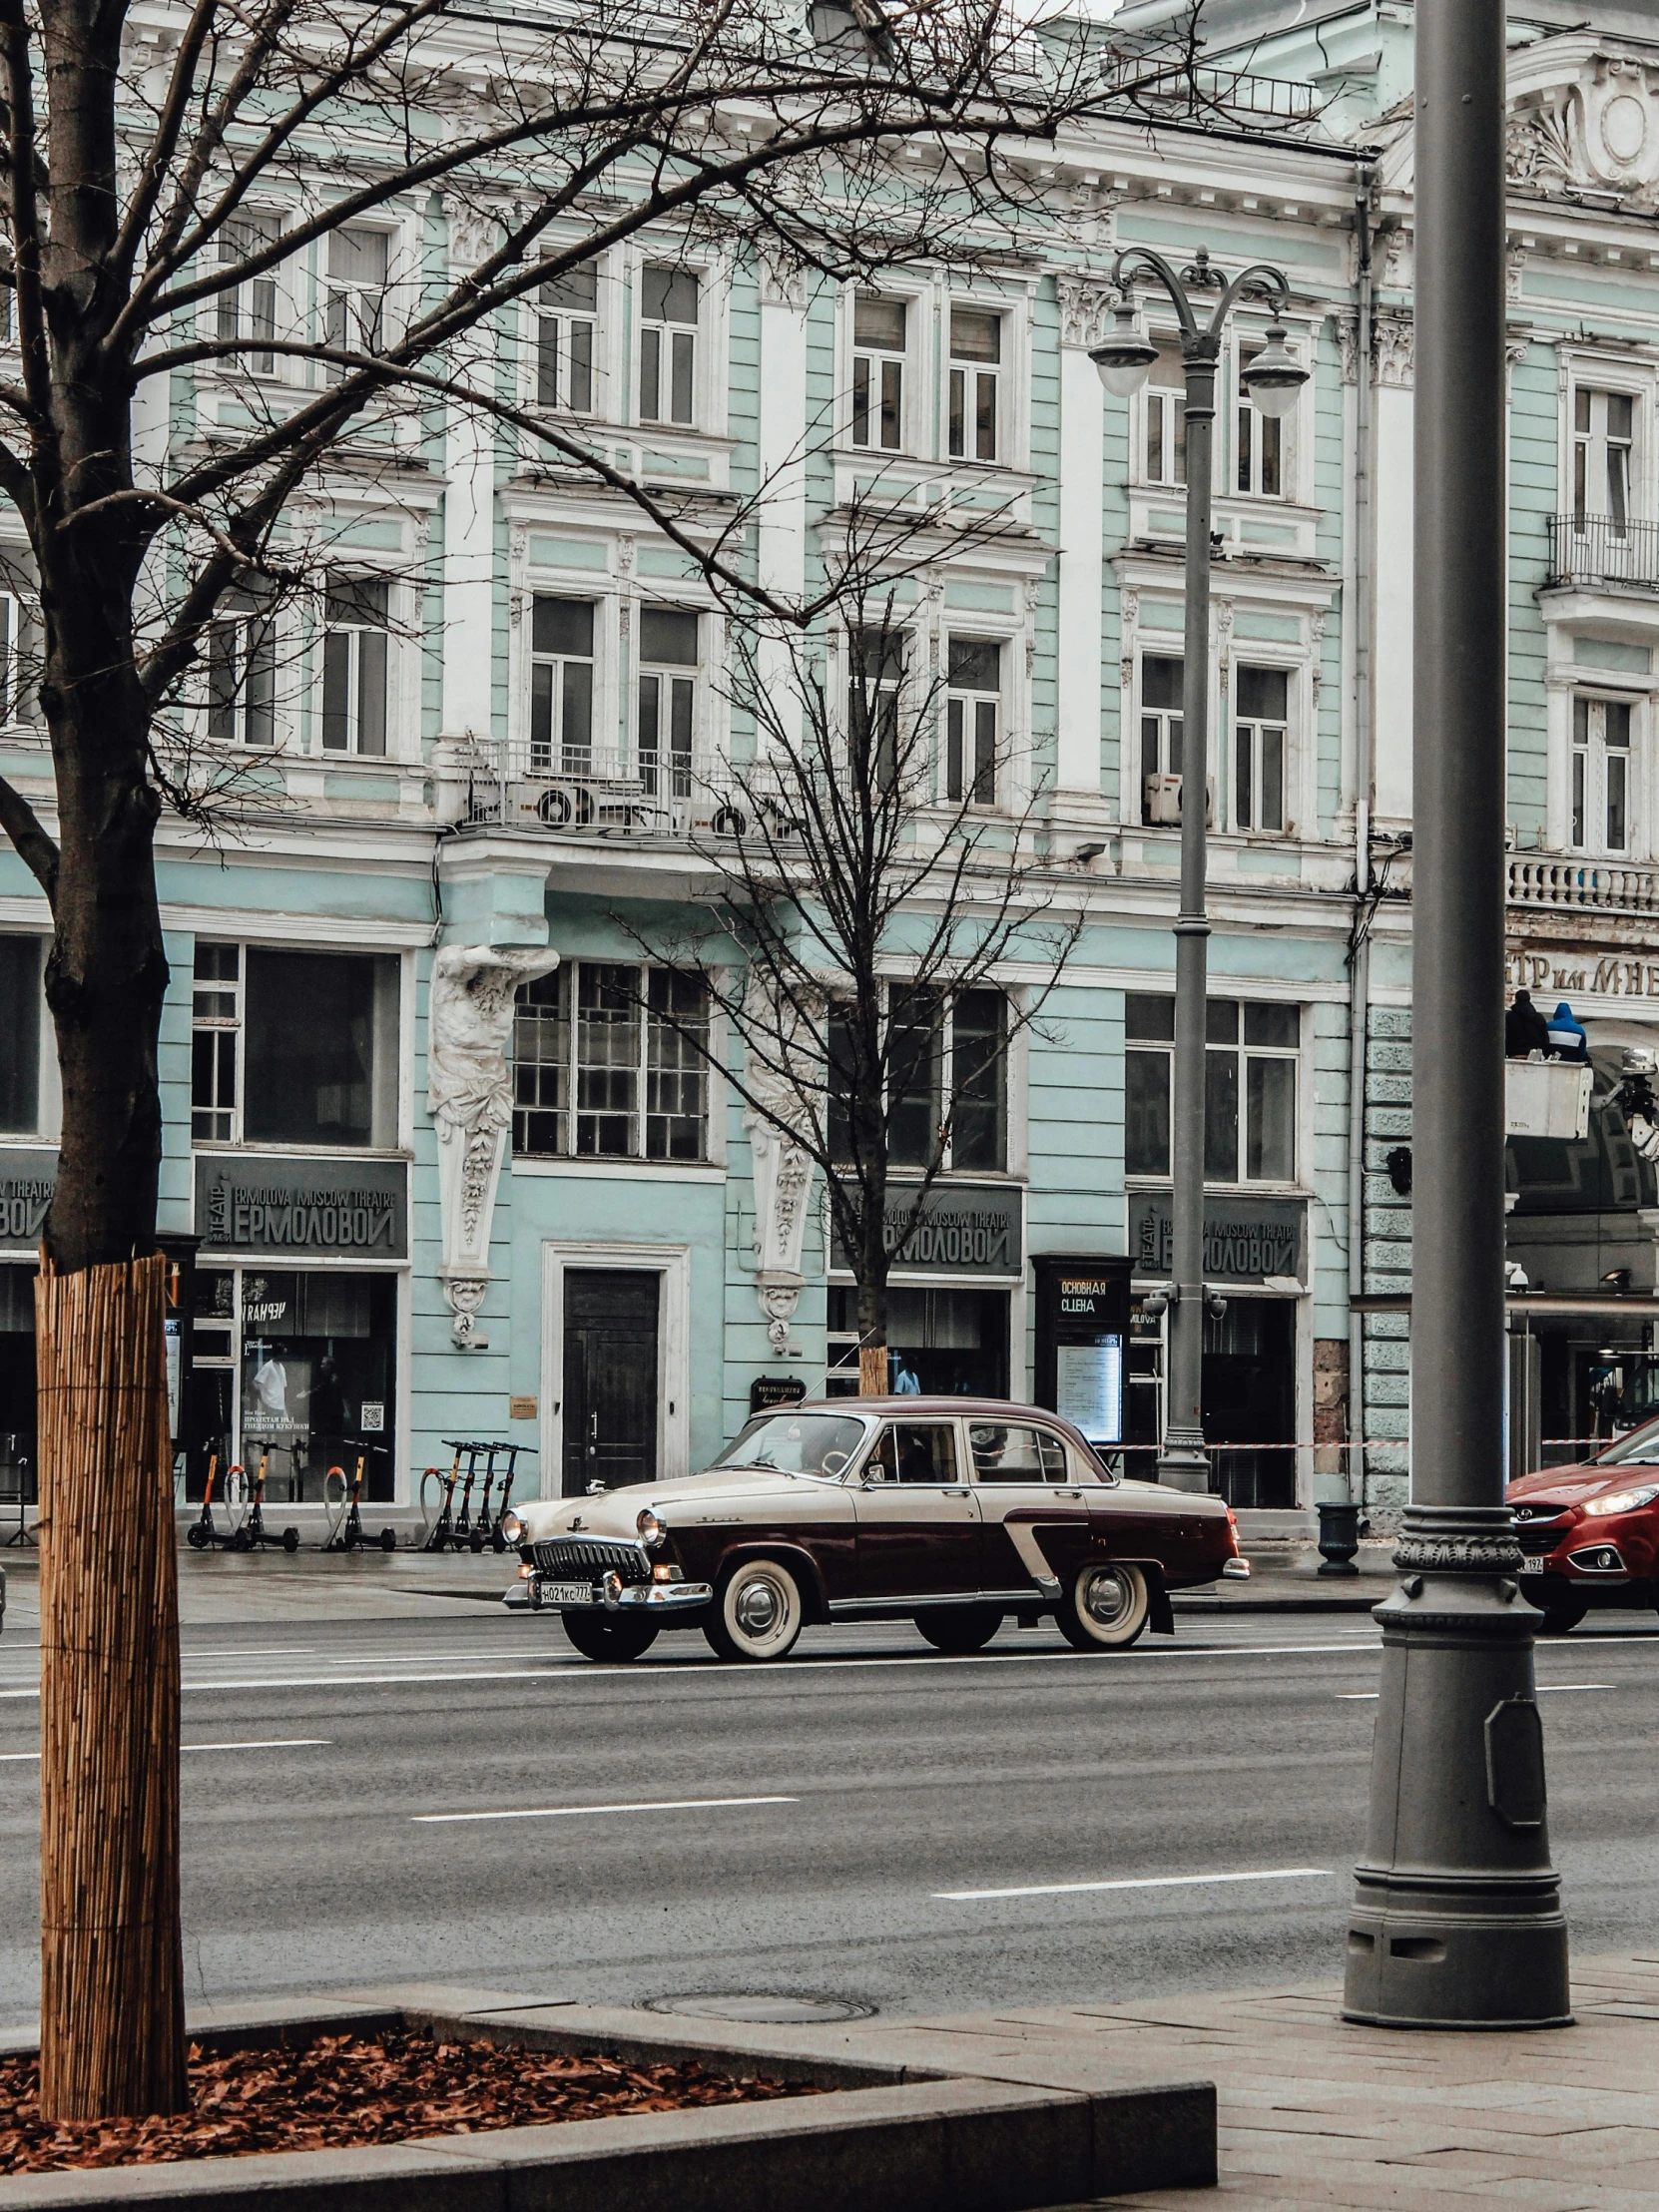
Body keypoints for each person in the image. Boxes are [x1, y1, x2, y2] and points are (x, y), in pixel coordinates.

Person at [1505, 987, 1551, 1058]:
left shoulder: (1510, 1016)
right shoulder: (1539, 1017)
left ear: (1516, 1000)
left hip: (1514, 1055)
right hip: (1533, 1056)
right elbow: (1545, 1039)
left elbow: (1505, 1036)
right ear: (1529, 999)